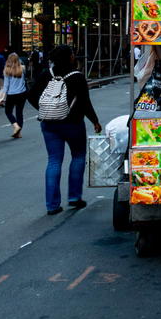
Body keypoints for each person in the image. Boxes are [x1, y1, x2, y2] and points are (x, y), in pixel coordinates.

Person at [27, 45, 102, 215]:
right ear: (69, 58)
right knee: (78, 156)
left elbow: (31, 95)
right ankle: (74, 197)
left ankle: (52, 205)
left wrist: (44, 109)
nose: (74, 56)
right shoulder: (77, 77)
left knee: (53, 161)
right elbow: (85, 102)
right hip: (72, 123)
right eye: (73, 54)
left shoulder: (46, 74)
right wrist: (95, 121)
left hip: (48, 123)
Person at [3, 52, 28, 139]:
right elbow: (24, 81)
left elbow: (6, 85)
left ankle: (15, 126)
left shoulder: (7, 70)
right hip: (22, 93)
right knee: (19, 113)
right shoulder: (22, 68)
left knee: (8, 112)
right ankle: (19, 132)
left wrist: (2, 97)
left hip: (11, 94)